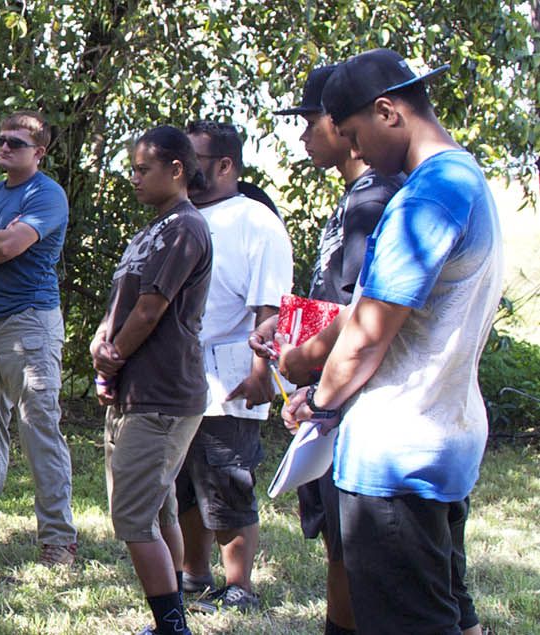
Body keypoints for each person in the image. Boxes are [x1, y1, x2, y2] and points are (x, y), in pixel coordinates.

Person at [282, 48, 502, 635]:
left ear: (388, 112)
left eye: (354, 135)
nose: (353, 151)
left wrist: (319, 405)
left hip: (396, 455)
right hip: (443, 437)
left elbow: (366, 335)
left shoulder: (428, 195)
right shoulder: (466, 176)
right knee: (445, 614)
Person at [257, 62, 402, 635]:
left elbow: (367, 312)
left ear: (341, 123)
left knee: (365, 555)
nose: (303, 136)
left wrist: (310, 370)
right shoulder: (355, 196)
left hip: (359, 405)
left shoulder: (374, 198)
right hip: (332, 391)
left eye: (309, 120)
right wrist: (290, 329)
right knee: (341, 546)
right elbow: (336, 296)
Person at [91, 126, 213, 635]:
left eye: (144, 169)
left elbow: (150, 309)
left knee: (134, 518)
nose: (134, 178)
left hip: (163, 394)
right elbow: (122, 304)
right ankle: (171, 618)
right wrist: (101, 343)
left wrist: (114, 357)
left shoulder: (185, 228)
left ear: (176, 170)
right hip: (135, 392)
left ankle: (172, 627)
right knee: (157, 508)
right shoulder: (151, 231)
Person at [171, 121, 293, 612]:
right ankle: (194, 574)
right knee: (183, 484)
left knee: (227, 480)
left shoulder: (255, 220)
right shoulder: (180, 215)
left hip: (234, 371)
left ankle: (240, 584)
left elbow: (272, 304)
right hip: (179, 375)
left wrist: (264, 372)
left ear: (225, 165)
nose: (185, 168)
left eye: (195, 158)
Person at [0, 111, 79, 565]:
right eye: (2, 140)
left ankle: (58, 539)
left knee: (38, 430)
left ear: (39, 152)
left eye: (17, 142)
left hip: (30, 322)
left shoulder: (47, 194)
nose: (5, 147)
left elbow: (6, 248)